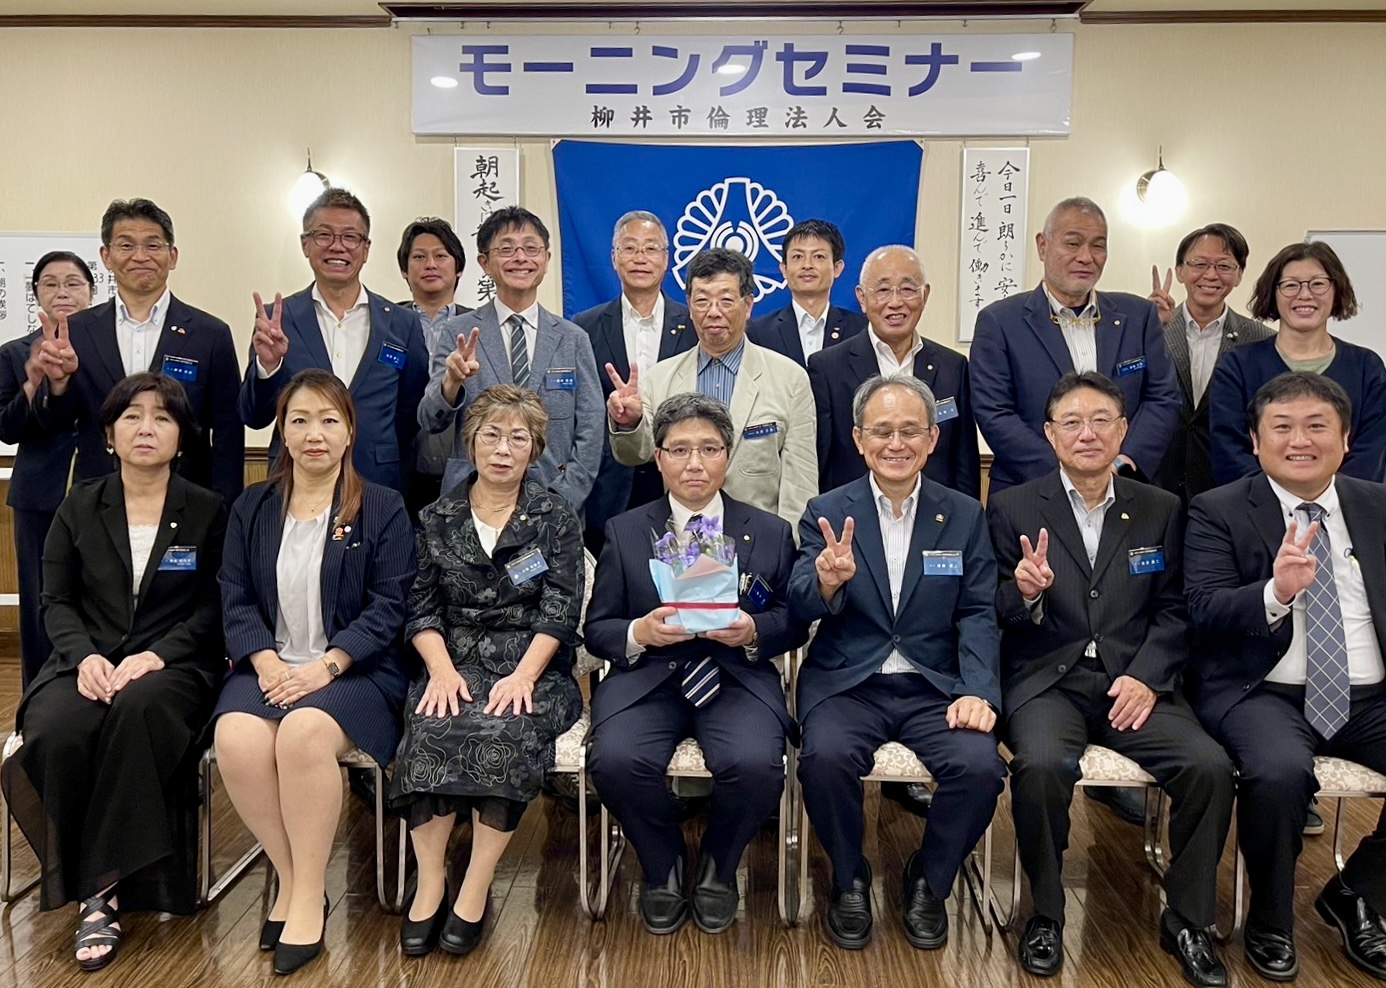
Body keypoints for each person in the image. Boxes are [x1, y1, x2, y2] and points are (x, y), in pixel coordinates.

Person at [987, 371, 1234, 985]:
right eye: (1071, 422)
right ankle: (1046, 912)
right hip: (1049, 681)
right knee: (1041, 766)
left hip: (1136, 684)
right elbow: (990, 606)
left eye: (1101, 421)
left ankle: (1187, 918)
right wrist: (1024, 594)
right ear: (1050, 434)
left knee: (1208, 767)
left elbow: (1175, 608)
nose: (1087, 433)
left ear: (1123, 431)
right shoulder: (1014, 506)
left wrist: (1147, 676)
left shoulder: (1160, 508)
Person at [1, 373, 226, 972]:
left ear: (182, 437)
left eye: (162, 417)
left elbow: (215, 606)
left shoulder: (207, 510)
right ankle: (102, 869)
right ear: (108, 434)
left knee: (138, 710)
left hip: (174, 665)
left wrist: (157, 654)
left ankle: (99, 891)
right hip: (86, 661)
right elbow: (56, 601)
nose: (146, 428)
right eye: (131, 416)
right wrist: (85, 657)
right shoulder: (78, 505)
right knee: (57, 729)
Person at [212, 369, 416, 976]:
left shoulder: (382, 507)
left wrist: (328, 665)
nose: (314, 435)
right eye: (299, 421)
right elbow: (234, 595)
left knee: (302, 734)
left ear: (350, 431)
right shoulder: (252, 507)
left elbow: (390, 605)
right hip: (270, 664)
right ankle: (295, 877)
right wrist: (265, 660)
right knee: (236, 737)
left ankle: (303, 901)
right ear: (282, 432)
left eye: (329, 420)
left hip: (356, 672)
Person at [790, 374, 1004, 951]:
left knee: (980, 769)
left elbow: (978, 611)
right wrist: (826, 582)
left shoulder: (963, 514)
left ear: (932, 439)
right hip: (849, 682)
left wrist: (979, 691)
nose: (896, 443)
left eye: (910, 431)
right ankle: (849, 875)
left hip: (935, 685)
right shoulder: (826, 511)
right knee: (824, 760)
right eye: (882, 431)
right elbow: (799, 604)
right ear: (859, 439)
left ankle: (930, 879)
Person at [1187, 371, 1386, 982]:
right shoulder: (1217, 509)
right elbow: (1203, 611)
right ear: (1255, 440)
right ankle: (1271, 920)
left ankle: (1358, 891)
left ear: (1346, 439)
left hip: (1370, 693)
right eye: (1283, 427)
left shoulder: (1377, 506)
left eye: (1317, 426)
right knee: (1277, 773)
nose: (1300, 440)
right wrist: (1275, 592)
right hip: (1263, 691)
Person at [585, 393, 807, 935]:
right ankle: (662, 863)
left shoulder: (770, 531)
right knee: (614, 761)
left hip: (734, 675)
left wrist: (754, 631)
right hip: (649, 677)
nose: (694, 463)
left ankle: (718, 867)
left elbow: (793, 620)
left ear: (728, 456)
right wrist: (639, 632)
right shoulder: (626, 530)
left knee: (756, 764)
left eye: (709, 449)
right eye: (679, 449)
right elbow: (599, 627)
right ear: (658, 457)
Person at [390, 385, 583, 957]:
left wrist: (523, 676)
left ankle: (474, 886)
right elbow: (420, 607)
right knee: (429, 729)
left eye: (518, 438)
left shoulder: (555, 517)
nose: (503, 449)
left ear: (535, 449)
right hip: (451, 661)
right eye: (491, 436)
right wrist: (440, 671)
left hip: (534, 666)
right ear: (471, 442)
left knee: (504, 731)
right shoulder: (436, 517)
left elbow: (560, 608)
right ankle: (431, 884)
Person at [32, 198, 244, 505]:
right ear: (106, 256)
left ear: (172, 256)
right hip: (97, 502)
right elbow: (57, 423)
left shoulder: (210, 334)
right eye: (126, 245)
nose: (140, 256)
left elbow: (228, 433)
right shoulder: (76, 332)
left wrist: (225, 510)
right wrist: (58, 385)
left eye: (153, 245)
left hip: (188, 502)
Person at [970, 196, 1180, 494]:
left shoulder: (1138, 316)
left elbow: (1163, 397)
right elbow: (995, 412)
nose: (1086, 257)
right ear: (1043, 246)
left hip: (1126, 487)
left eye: (1098, 245)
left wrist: (1121, 464)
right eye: (1073, 243)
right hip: (1031, 491)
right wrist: (1069, 474)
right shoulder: (1000, 322)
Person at [607, 248, 817, 530]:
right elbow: (635, 454)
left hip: (760, 541)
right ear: (689, 306)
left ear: (748, 305)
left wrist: (789, 548)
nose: (714, 312)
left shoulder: (790, 379)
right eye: (702, 301)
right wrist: (629, 422)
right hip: (681, 539)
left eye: (726, 301)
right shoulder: (660, 377)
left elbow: (800, 483)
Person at [238, 187, 429, 496]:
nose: (337, 246)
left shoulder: (402, 323)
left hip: (377, 481)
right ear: (305, 244)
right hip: (295, 481)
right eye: (324, 235)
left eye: (350, 237)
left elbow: (411, 412)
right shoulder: (278, 319)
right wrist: (268, 367)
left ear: (366, 249)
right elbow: (255, 417)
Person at [417, 206, 603, 512]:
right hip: (472, 501)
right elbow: (429, 420)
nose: (520, 258)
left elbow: (591, 427)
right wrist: (451, 384)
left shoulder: (573, 338)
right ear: (485, 263)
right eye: (506, 249)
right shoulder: (457, 333)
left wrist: (564, 497)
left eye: (531, 248)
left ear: (546, 260)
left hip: (554, 501)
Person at [1208, 241, 1386, 486]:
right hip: (1255, 504)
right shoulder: (1237, 366)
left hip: (1346, 505)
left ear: (1336, 291)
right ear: (1273, 293)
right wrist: (1281, 500)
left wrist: (1325, 500)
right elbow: (1229, 451)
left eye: (1318, 284)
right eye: (1290, 285)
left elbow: (1372, 451)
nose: (1305, 295)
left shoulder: (1367, 368)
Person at [808, 244, 979, 498]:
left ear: (925, 295)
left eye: (908, 290)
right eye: (883, 290)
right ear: (862, 298)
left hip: (935, 513)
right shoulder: (827, 368)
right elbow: (821, 462)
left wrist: (966, 516)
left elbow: (964, 462)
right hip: (854, 514)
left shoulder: (952, 366)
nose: (896, 302)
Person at [573, 210, 696, 553]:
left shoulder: (694, 324)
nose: (640, 258)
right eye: (630, 248)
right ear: (614, 258)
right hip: (608, 487)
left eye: (651, 248)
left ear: (666, 259)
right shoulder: (584, 326)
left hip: (680, 479)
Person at [1, 251, 93, 687]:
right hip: (39, 495)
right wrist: (32, 385)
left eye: (73, 283)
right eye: (50, 284)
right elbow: (6, 428)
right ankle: (37, 701)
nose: (62, 293)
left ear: (92, 292)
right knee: (40, 600)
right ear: (36, 293)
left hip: (101, 489)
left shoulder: (104, 348)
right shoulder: (13, 353)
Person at [1146, 224, 1274, 503]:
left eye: (1224, 266)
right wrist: (1150, 331)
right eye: (1199, 264)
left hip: (1228, 490)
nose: (1211, 275)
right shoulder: (1149, 330)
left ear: (1239, 275)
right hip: (1155, 486)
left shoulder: (1260, 340)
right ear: (1180, 271)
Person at [396, 217, 474, 517]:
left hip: (466, 475)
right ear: (405, 270)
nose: (430, 264)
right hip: (398, 474)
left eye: (441, 256)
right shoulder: (385, 324)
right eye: (419, 257)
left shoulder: (480, 327)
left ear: (459, 268)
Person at [748, 219, 867, 366]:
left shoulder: (862, 330)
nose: (807, 265)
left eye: (818, 257)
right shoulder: (758, 333)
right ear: (784, 269)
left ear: (837, 268)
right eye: (798, 257)